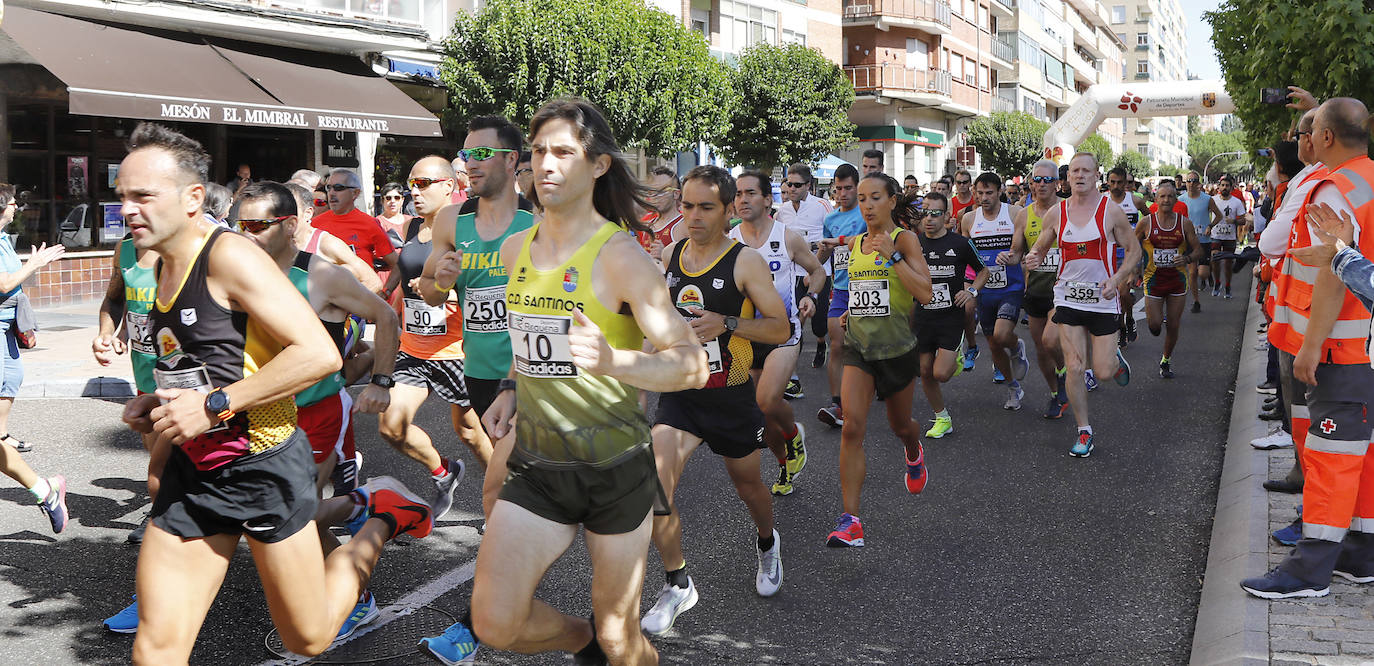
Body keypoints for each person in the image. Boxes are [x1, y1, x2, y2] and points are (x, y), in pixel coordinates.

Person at [115, 122, 432, 662]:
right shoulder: (160, 261)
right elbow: (205, 354)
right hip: (195, 470)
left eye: (143, 196)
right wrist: (164, 398)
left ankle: (381, 514)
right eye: (122, 196)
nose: (127, 209)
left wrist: (215, 403)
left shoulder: (229, 256)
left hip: (261, 466)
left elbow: (318, 353)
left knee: (306, 637)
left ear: (194, 198)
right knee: (155, 650)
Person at [469, 97, 708, 665]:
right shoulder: (514, 249)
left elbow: (692, 364)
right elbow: (530, 335)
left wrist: (614, 362)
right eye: (537, 152)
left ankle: (608, 645)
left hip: (614, 471)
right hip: (539, 463)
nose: (546, 165)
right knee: (494, 622)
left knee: (624, 640)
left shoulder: (621, 256)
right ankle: (582, 643)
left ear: (598, 164)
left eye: (564, 153)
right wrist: (508, 385)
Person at [639, 165, 791, 636]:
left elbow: (780, 328)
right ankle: (677, 582)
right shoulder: (671, 253)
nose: (693, 215)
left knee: (749, 488)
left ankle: (768, 544)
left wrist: (727, 323)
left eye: (706, 207)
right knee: (655, 486)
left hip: (730, 394)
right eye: (686, 205)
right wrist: (642, 377)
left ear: (728, 210)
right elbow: (658, 324)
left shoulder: (744, 261)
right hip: (681, 397)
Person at [413, 116, 538, 664]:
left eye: (483, 153)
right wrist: (435, 279)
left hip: (534, 379)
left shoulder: (539, 223)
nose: (471, 163)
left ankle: (475, 623)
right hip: (482, 375)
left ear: (513, 161)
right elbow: (430, 298)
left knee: (505, 500)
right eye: (466, 154)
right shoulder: (451, 219)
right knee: (518, 502)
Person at [1241, 98, 1374, 599]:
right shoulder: (1367, 179)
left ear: (1326, 139)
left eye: (1312, 128)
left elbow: (1332, 276)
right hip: (1364, 349)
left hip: (1342, 351)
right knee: (1360, 455)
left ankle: (1309, 570)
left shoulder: (1334, 191)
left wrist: (1311, 346)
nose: (1307, 136)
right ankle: (1361, 555)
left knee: (1329, 457)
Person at [376, 156, 493, 521]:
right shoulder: (412, 227)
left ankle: (505, 499)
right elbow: (402, 264)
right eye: (412, 183)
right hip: (414, 348)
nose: (415, 191)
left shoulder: (467, 229)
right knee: (391, 425)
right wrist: (390, 291)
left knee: (472, 432)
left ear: (449, 185)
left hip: (459, 349)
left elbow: (487, 282)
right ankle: (443, 473)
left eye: (423, 183)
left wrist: (444, 291)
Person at [827, 173, 933, 548]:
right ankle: (850, 520)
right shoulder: (855, 244)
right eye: (861, 199)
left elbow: (925, 293)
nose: (867, 205)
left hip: (898, 351)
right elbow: (863, 292)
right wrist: (851, 314)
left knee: (900, 425)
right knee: (852, 427)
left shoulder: (906, 240)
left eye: (875, 197)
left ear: (891, 201)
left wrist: (894, 255)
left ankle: (912, 448)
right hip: (859, 348)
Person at [1024, 152, 1139, 457]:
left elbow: (1134, 251)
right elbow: (1039, 248)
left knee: (1101, 371)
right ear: (1067, 176)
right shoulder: (1057, 214)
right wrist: (1033, 257)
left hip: (1102, 298)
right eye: (1074, 171)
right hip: (1067, 296)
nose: (1079, 176)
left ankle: (1113, 360)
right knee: (1075, 366)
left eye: (1086, 171)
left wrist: (1117, 279)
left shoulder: (1110, 211)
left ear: (1096, 175)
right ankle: (1084, 431)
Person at [731, 171, 825, 496]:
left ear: (768, 200)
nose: (743, 199)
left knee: (767, 399)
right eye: (738, 193)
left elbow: (817, 271)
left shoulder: (787, 237)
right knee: (762, 414)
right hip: (745, 336)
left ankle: (794, 434)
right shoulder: (729, 241)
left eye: (750, 193)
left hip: (784, 331)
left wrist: (809, 297)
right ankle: (785, 463)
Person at [0, 183, 67, 533]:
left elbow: (12, 288)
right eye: (13, 203)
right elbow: (3, 282)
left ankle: (46, 491)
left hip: (6, 339)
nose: (16, 208)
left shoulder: (4, 241)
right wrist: (35, 262)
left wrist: (23, 325)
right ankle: (46, 491)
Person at [913, 191, 987, 438]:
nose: (929, 218)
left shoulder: (960, 244)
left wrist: (972, 292)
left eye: (935, 213)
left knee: (940, 374)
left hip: (950, 318)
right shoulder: (914, 244)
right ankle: (942, 417)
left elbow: (983, 271)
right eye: (925, 212)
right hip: (922, 316)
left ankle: (954, 357)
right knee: (924, 371)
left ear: (946, 215)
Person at [959, 171, 1030, 407]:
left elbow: (1024, 250)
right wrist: (967, 284)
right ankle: (1013, 388)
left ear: (999, 191)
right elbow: (966, 256)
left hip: (1011, 286)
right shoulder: (969, 220)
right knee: (992, 344)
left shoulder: (1015, 213)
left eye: (989, 192)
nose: (984, 197)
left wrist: (1013, 258)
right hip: (984, 289)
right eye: (979, 193)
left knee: (1001, 334)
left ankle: (1016, 346)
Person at [1017, 160, 1071, 419]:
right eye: (1037, 179)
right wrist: (1011, 256)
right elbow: (1018, 250)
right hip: (1035, 290)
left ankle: (1063, 373)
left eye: (1047, 179)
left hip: (1062, 291)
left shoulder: (1069, 211)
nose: (1041, 184)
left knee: (1051, 340)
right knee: (1040, 348)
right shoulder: (1023, 215)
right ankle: (1056, 393)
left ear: (1057, 183)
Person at [816, 164, 866, 428]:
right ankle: (837, 403)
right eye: (838, 188)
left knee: (864, 346)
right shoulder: (830, 220)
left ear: (857, 187)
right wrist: (816, 263)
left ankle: (868, 387)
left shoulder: (866, 212)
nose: (843, 193)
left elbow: (872, 239)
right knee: (837, 344)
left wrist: (842, 241)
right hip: (843, 289)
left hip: (869, 287)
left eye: (848, 188)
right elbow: (825, 252)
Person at [775, 164, 832, 396]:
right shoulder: (783, 210)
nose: (792, 188)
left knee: (818, 324)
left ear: (809, 185)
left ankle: (820, 342)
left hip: (819, 271)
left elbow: (828, 242)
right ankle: (792, 378)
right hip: (792, 275)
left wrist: (813, 269)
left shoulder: (822, 206)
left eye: (797, 185)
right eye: (789, 184)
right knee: (795, 323)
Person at [1136, 181, 1202, 378]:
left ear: (1175, 200)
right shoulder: (1146, 222)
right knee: (1155, 326)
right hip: (1153, 280)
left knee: (1173, 324)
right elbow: (1133, 244)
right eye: (1162, 196)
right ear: (1156, 200)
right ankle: (1156, 321)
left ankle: (1166, 359)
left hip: (1177, 281)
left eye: (1170, 196)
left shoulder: (1184, 224)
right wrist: (1133, 270)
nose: (1166, 200)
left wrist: (1187, 258)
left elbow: (1199, 250)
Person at [312, 168, 401, 293]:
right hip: (323, 300)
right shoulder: (315, 224)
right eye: (329, 188)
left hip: (358, 303)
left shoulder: (370, 224)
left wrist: (385, 292)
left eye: (338, 188)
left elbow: (397, 264)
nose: (331, 193)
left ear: (355, 193)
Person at [1106, 167, 1150, 347]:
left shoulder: (1136, 202)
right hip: (1108, 253)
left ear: (1126, 183)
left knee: (1123, 293)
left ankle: (1128, 318)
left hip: (1129, 253)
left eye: (1119, 182)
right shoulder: (1102, 202)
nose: (1116, 186)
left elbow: (1150, 221)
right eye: (1112, 182)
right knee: (1112, 296)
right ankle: (1122, 326)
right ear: (1107, 182)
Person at [1180, 170, 1222, 312]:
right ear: (1185, 183)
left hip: (1203, 240)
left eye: (1194, 181)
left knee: (1202, 273)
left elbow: (1219, 216)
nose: (1191, 183)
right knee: (1192, 273)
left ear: (1198, 183)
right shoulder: (1180, 200)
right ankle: (1196, 301)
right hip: (1189, 241)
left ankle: (1207, 274)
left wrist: (1210, 226)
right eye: (1189, 181)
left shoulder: (1207, 199)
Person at [1208, 174, 1249, 298]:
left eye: (1227, 185)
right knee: (1215, 259)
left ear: (1231, 188)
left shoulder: (1236, 202)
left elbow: (1243, 220)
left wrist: (1234, 221)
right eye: (1222, 185)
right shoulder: (1213, 200)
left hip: (1230, 237)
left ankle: (1228, 286)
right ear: (1219, 187)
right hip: (1216, 235)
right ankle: (1217, 283)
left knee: (1227, 263)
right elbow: (1205, 214)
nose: (1224, 187)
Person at [636, 166, 684, 263]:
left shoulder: (684, 226)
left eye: (662, 191)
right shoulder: (646, 226)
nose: (655, 196)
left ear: (676, 194)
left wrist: (666, 255)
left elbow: (695, 266)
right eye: (651, 192)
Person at [375, 182, 409, 248]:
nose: (392, 201)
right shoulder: (377, 223)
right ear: (382, 201)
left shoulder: (411, 220)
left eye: (397, 198)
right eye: (388, 198)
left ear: (402, 200)